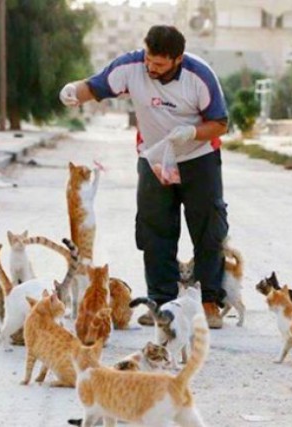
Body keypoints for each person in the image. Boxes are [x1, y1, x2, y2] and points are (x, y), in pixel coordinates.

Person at [59, 25, 229, 329]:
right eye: (149, 59)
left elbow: (219, 122)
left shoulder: (199, 76)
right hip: (153, 159)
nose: (151, 67)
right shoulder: (131, 67)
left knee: (208, 230)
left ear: (177, 59)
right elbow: (94, 86)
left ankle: (209, 302)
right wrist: (73, 92)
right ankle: (161, 303)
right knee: (155, 230)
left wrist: (191, 132)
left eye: (160, 64)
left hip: (198, 159)